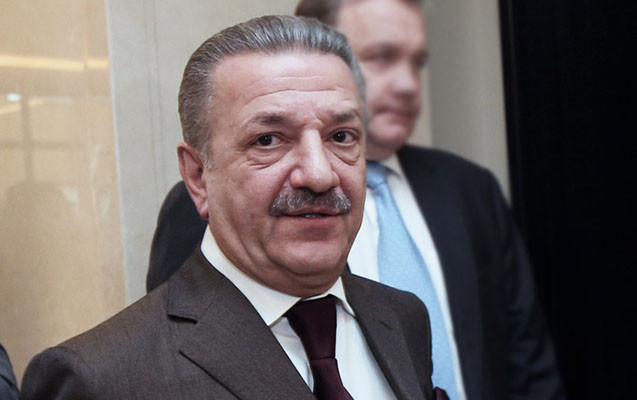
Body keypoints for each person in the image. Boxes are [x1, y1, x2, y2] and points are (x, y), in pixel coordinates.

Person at [146, 1, 565, 399]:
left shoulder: (468, 189)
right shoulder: (210, 204)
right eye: (380, 58)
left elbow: (526, 362)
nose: (407, 84)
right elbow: (179, 356)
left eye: (415, 62)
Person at [19, 15, 444, 399]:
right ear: (197, 176)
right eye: (268, 140)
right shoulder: (101, 378)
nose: (319, 175)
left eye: (341, 136)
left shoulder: (401, 319)